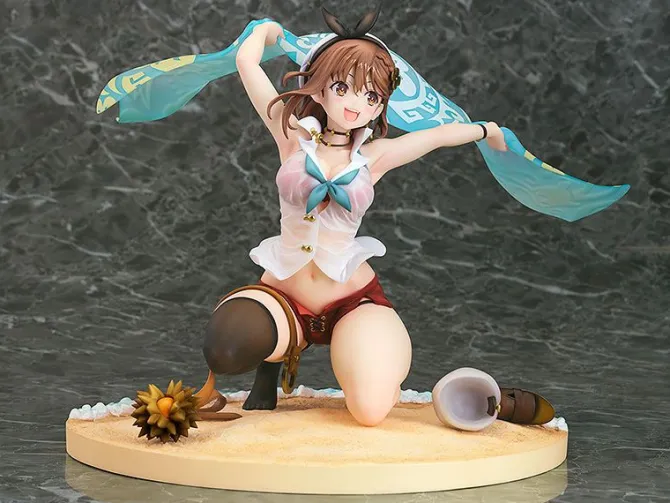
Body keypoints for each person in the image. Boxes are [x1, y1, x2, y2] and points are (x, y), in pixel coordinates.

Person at [96, 4, 628, 428]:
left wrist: (487, 132)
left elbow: (436, 137)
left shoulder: (375, 156)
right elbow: (247, 67)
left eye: (371, 95)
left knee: (371, 412)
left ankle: (407, 379)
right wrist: (264, 30)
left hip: (352, 299)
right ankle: (269, 367)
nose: (355, 103)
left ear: (382, 104)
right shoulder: (290, 133)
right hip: (283, 293)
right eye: (342, 87)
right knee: (226, 346)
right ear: (319, 84)